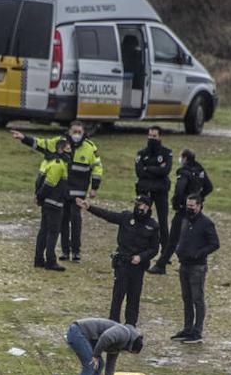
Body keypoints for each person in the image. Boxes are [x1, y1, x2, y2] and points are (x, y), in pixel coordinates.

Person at [11, 120, 103, 261]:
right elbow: (41, 143)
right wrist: (24, 138)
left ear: (84, 132)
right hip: (63, 190)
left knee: (76, 219)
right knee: (63, 220)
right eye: (74, 131)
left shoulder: (90, 147)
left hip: (78, 191)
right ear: (69, 131)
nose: (77, 134)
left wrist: (94, 187)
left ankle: (76, 252)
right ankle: (65, 251)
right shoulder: (60, 142)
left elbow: (97, 167)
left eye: (80, 132)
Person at [77, 194, 159, 325]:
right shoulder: (126, 217)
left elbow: (154, 249)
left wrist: (141, 257)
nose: (139, 207)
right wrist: (90, 207)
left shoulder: (152, 226)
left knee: (134, 297)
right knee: (117, 296)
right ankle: (113, 324)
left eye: (142, 205)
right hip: (123, 263)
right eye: (137, 204)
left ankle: (130, 327)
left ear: (148, 207)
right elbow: (108, 215)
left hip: (138, 266)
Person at [149, 148, 213, 275]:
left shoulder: (184, 172)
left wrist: (177, 203)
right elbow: (209, 187)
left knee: (173, 239)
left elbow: (179, 189)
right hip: (196, 209)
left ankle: (160, 265)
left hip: (184, 210)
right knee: (193, 237)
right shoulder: (199, 169)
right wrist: (199, 199)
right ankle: (193, 262)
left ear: (184, 158)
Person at [63, 317, 144, 375]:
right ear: (131, 347)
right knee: (91, 364)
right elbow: (106, 337)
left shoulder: (121, 343)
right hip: (78, 332)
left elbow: (111, 364)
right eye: (131, 352)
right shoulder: (124, 333)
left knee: (100, 364)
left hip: (86, 337)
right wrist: (95, 355)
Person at [173, 194, 219, 343]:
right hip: (184, 265)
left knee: (197, 299)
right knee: (186, 298)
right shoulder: (185, 220)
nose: (189, 208)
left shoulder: (206, 223)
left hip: (197, 267)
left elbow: (215, 243)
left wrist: (198, 253)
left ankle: (197, 332)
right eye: (188, 205)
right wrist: (178, 249)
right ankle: (187, 329)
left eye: (192, 206)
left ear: (199, 206)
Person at [34, 139, 71, 271]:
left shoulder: (52, 163)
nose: (70, 152)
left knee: (44, 231)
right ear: (60, 150)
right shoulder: (58, 165)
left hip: (49, 203)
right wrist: (39, 197)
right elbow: (49, 184)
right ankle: (50, 261)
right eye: (68, 149)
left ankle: (38, 259)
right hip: (54, 204)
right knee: (52, 232)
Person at [134, 126, 173, 251]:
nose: (151, 138)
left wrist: (148, 168)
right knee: (140, 218)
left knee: (163, 222)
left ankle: (165, 252)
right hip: (144, 191)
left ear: (160, 137)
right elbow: (139, 172)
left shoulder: (166, 152)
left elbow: (165, 171)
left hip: (161, 191)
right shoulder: (141, 153)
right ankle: (139, 247)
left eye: (154, 136)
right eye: (150, 135)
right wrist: (157, 169)